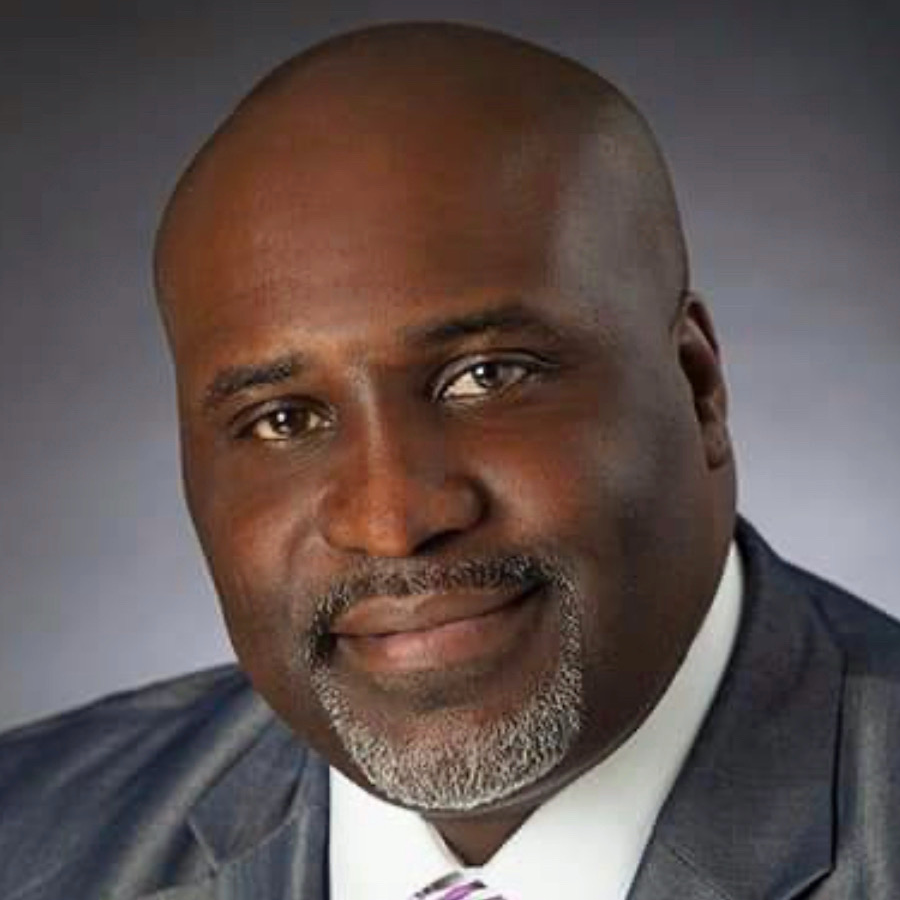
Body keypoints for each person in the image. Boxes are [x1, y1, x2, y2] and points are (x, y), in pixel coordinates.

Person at [1, 20, 898, 900]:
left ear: (697, 386)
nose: (391, 519)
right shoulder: (28, 835)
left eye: (486, 375)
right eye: (282, 420)